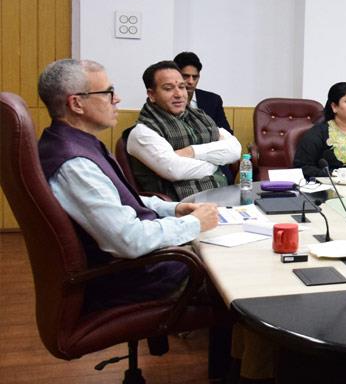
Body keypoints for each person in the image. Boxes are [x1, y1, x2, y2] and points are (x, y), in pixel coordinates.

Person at [35, 58, 220, 311]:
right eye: (108, 92)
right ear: (76, 103)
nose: (117, 99)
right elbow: (128, 240)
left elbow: (116, 199)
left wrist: (173, 209)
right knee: (234, 278)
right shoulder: (75, 163)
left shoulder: (74, 143)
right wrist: (194, 223)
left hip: (141, 265)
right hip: (137, 278)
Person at [126, 60, 242, 201]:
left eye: (181, 87)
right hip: (176, 210)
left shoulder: (200, 118)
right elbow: (175, 170)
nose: (179, 94)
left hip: (219, 198)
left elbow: (235, 150)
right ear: (152, 95)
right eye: (168, 88)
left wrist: (191, 152)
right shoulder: (142, 132)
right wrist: (217, 163)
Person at [173, 51, 232, 133]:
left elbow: (227, 133)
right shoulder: (166, 100)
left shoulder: (213, 100)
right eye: (185, 76)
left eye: (195, 77)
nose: (191, 81)